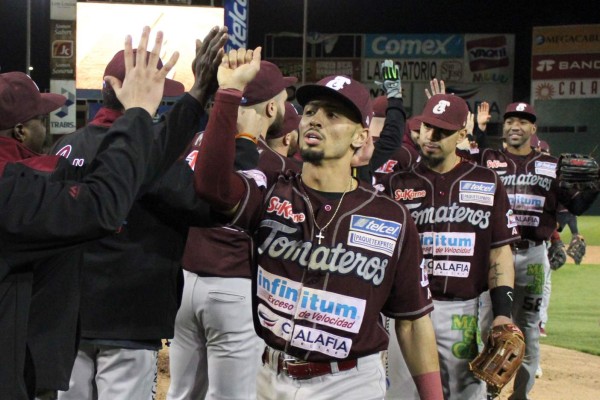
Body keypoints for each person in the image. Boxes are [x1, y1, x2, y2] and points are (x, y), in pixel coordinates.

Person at [193, 47, 443, 400]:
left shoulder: (390, 217)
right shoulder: (271, 188)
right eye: (310, 111)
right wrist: (229, 94)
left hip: (349, 382)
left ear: (360, 136)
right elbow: (211, 186)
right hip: (269, 374)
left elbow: (414, 320)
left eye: (333, 114)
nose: (316, 119)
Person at [0, 26, 184, 400]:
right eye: (40, 119)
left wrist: (197, 101)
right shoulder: (14, 185)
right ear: (20, 131)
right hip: (33, 353)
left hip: (54, 333)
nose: (45, 126)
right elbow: (103, 204)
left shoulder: (52, 157)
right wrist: (138, 113)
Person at [51, 27, 229, 400]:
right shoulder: (145, 150)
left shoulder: (64, 146)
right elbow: (206, 207)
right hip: (129, 316)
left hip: (68, 316)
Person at [167, 60, 299, 400]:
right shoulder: (277, 165)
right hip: (233, 286)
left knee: (182, 393)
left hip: (183, 283)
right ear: (271, 107)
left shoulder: (196, 140)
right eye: (283, 99)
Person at [382, 94, 519, 400]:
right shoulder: (397, 183)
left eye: (443, 131)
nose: (431, 137)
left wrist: (503, 313)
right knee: (402, 396)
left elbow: (500, 252)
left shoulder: (486, 181)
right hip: (406, 313)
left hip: (462, 312)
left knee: (464, 394)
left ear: (461, 134)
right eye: (428, 127)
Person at [462, 101, 592, 399]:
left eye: (522, 121)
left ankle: (520, 395)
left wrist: (593, 189)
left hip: (533, 254)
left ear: (533, 129)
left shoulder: (550, 164)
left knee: (530, 330)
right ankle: (488, 392)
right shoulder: (486, 159)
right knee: (486, 328)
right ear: (503, 127)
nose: (515, 126)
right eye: (509, 121)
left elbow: (575, 206)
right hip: (493, 255)